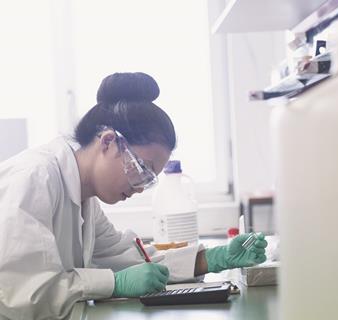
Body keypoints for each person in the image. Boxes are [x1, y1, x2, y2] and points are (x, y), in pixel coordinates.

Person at [0, 72, 268, 320]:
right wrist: (114, 284)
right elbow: (22, 295)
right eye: (143, 170)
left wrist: (211, 259)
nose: (140, 187)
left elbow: (127, 257)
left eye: (150, 180)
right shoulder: (34, 178)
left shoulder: (85, 199)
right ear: (107, 142)